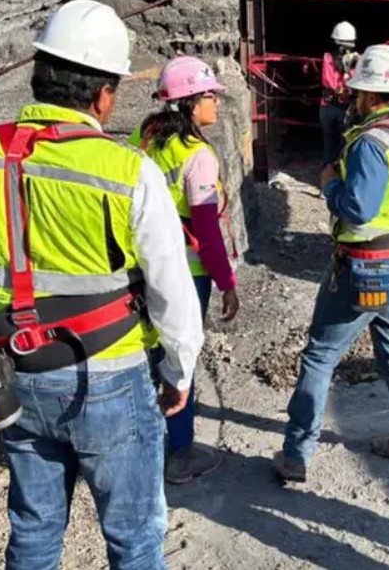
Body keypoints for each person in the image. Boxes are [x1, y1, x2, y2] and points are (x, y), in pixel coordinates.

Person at [0, 0, 205, 570]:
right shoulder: (129, 169)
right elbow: (171, 289)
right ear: (103, 95)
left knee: (34, 532)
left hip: (16, 372)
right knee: (135, 539)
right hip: (110, 376)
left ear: (39, 74)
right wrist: (179, 371)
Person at [275, 44, 389, 482]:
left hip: (364, 268)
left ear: (372, 96)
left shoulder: (371, 143)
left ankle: (296, 452)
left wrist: (329, 183)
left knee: (320, 356)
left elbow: (358, 209)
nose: (353, 99)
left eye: (357, 92)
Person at [131, 55, 241, 484]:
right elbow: (207, 231)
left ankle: (144, 443)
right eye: (211, 95)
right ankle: (179, 452)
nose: (217, 102)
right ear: (192, 103)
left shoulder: (146, 135)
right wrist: (227, 282)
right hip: (186, 271)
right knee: (181, 355)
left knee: (150, 352)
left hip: (142, 262)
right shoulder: (198, 156)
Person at [319, 21, 360, 166]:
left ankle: (330, 172)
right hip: (335, 105)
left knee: (336, 144)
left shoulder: (354, 59)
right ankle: (335, 173)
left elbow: (329, 81)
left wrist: (350, 69)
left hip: (336, 106)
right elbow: (330, 82)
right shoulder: (329, 57)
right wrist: (347, 72)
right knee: (340, 144)